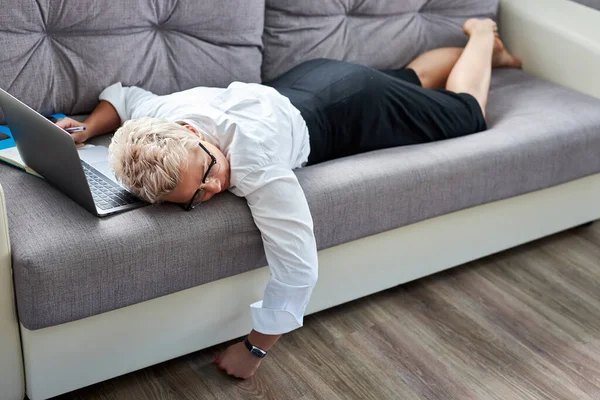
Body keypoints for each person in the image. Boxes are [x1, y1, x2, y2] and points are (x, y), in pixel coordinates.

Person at [57, 19, 521, 379]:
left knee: (466, 114)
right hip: (313, 78)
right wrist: (88, 129)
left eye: (209, 172)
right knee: (412, 80)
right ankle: (490, 56)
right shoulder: (164, 115)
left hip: (353, 109)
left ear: (195, 134)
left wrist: (254, 349)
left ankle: (482, 34)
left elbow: (297, 267)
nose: (215, 188)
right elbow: (124, 96)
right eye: (195, 199)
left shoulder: (255, 161)